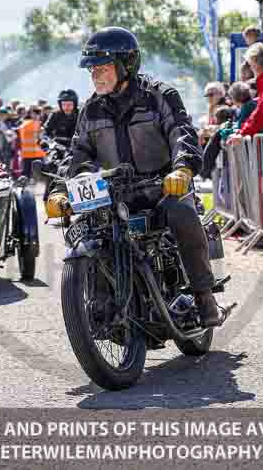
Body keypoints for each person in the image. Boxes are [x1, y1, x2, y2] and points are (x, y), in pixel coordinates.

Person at [45, 26, 220, 327]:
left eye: (102, 68)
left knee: (180, 212)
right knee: (87, 227)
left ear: (126, 65)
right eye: (92, 70)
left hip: (163, 188)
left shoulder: (159, 96)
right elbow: (78, 155)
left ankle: (204, 296)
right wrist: (61, 189)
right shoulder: (91, 111)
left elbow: (182, 133)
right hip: (116, 195)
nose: (95, 76)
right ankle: (102, 306)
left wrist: (182, 168)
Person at [17, 108, 46, 179]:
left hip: (27, 154)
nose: (37, 115)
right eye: (36, 113)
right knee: (39, 177)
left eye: (38, 113)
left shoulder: (23, 124)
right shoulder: (38, 125)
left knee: (26, 176)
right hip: (37, 155)